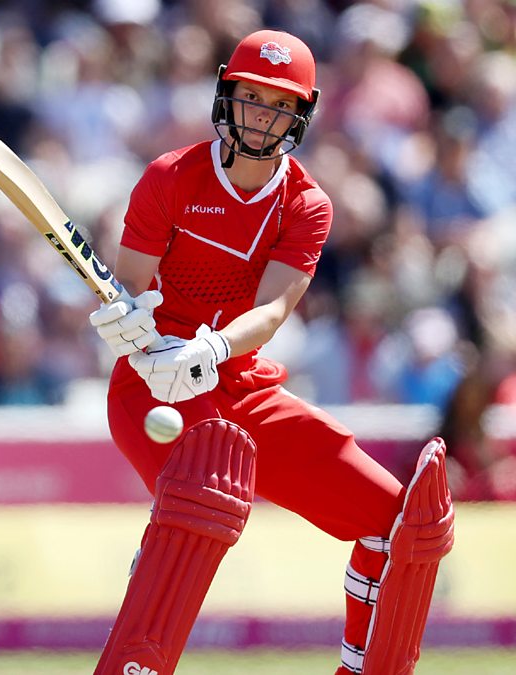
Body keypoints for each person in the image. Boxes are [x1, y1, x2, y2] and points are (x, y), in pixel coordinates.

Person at [88, 31, 454, 675]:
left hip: (240, 385)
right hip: (153, 388)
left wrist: (213, 347)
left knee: (401, 524)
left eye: (280, 104)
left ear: (301, 115)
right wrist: (130, 329)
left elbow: (275, 308)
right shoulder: (170, 177)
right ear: (226, 94)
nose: (262, 115)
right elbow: (132, 289)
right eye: (253, 97)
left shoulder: (306, 204)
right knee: (201, 498)